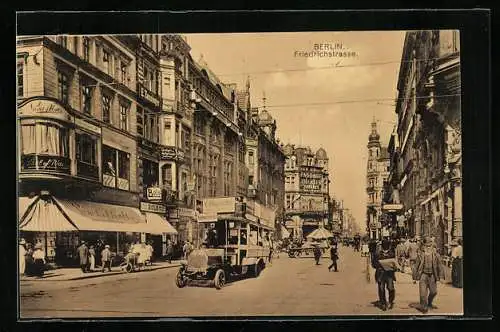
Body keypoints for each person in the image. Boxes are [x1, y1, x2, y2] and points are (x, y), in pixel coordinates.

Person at [413, 237, 445, 313]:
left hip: (432, 275)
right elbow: (416, 266)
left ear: (432, 246)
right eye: (426, 246)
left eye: (429, 245)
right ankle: (424, 307)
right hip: (423, 275)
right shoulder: (420, 255)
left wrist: (441, 276)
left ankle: (429, 302)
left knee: (434, 292)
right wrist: (414, 277)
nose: (428, 247)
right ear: (423, 246)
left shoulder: (436, 255)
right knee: (423, 293)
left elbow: (440, 265)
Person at [373, 237, 400, 311]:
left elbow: (395, 264)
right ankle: (383, 303)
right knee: (381, 289)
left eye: (387, 245)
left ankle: (391, 301)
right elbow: (373, 264)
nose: (386, 247)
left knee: (391, 288)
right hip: (380, 274)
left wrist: (395, 267)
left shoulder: (392, 254)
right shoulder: (377, 254)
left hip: (389, 274)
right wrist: (380, 265)